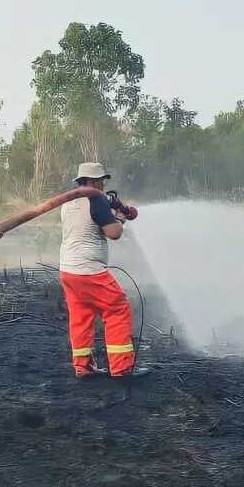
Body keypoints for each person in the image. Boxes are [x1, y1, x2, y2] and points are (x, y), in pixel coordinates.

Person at [58, 162, 149, 380]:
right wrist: (120, 217)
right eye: (101, 181)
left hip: (68, 270)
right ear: (93, 181)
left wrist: (112, 210)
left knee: (81, 315)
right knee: (117, 308)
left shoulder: (68, 202)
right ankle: (122, 368)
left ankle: (83, 366)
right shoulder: (96, 199)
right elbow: (114, 233)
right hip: (89, 270)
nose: (103, 184)